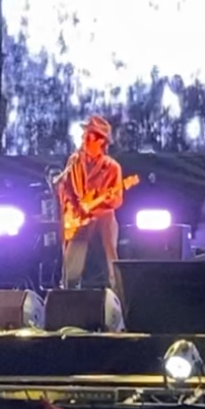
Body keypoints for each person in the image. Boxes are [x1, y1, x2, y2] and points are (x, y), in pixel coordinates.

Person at [56, 115, 125, 291]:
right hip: (79, 217)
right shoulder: (74, 162)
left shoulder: (112, 167)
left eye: (89, 136)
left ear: (101, 141)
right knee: (75, 247)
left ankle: (117, 288)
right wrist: (76, 208)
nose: (83, 139)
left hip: (101, 215)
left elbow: (116, 199)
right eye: (84, 135)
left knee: (108, 225)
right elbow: (67, 187)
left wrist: (95, 207)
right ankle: (69, 288)